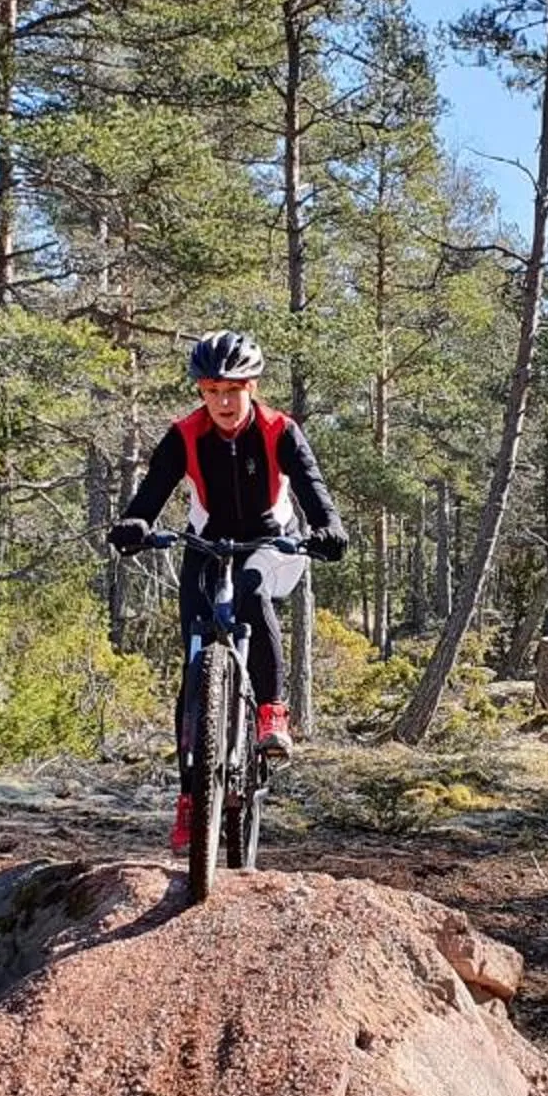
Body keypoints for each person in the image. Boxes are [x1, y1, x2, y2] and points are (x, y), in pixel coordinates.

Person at [107, 330, 348, 851]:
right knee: (195, 663)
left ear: (252, 386)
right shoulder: (184, 435)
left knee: (251, 595)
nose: (222, 401)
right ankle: (190, 800)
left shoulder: (280, 430)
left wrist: (328, 528)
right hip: (208, 540)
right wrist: (133, 524)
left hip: (271, 541)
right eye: (212, 389)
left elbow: (313, 489)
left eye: (232, 389)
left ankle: (272, 712)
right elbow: (151, 494)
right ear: (201, 391)